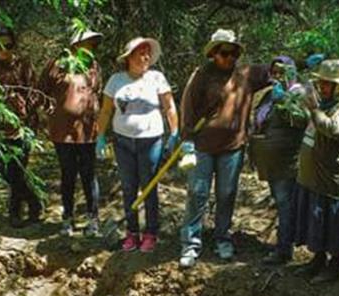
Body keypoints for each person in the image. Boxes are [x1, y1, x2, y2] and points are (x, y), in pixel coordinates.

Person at [177, 29, 271, 268]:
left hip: (233, 147)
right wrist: (186, 140)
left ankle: (222, 238)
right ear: (213, 53)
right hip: (203, 146)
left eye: (233, 53)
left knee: (226, 194)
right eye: (224, 52)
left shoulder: (246, 75)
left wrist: (296, 66)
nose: (229, 57)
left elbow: (277, 69)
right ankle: (190, 243)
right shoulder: (201, 76)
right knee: (198, 193)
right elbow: (188, 107)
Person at [96, 37, 178, 252]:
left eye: (148, 53)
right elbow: (105, 110)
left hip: (151, 141)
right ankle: (132, 233)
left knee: (149, 186)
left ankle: (151, 233)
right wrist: (100, 136)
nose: (146, 57)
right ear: (129, 57)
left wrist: (175, 132)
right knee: (128, 187)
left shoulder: (157, 78)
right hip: (123, 142)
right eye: (141, 53)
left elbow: (169, 106)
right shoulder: (116, 80)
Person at [293, 59, 339, 283]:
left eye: (326, 83)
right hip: (313, 174)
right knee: (316, 220)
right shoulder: (328, 100)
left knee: (332, 222)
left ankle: (334, 265)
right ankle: (318, 259)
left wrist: (313, 108)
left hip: (329, 176)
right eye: (320, 82)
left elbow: (334, 128)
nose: (321, 87)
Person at [38, 28, 103, 237]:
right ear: (75, 45)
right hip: (63, 132)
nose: (90, 47)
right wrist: (51, 111)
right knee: (68, 174)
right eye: (87, 43)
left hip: (88, 132)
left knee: (88, 175)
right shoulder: (58, 65)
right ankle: (67, 218)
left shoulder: (94, 67)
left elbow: (98, 94)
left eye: (93, 44)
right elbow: (41, 92)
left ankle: (93, 219)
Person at [247, 55, 308, 265]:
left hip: (286, 160)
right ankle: (282, 245)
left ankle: (284, 249)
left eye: (282, 71)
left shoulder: (298, 93)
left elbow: (302, 120)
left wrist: (285, 102)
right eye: (274, 72)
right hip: (269, 160)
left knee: (285, 203)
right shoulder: (267, 94)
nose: (277, 76)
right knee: (280, 200)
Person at [0, 27, 43, 228]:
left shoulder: (23, 65)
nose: (3, 50)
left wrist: (23, 120)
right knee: (2, 169)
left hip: (21, 128)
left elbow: (34, 93)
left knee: (17, 170)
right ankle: (34, 201)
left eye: (8, 45)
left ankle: (15, 212)